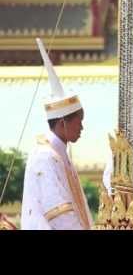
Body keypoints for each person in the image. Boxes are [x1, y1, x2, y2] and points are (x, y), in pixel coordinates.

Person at [21, 38, 93, 230]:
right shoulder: (45, 156)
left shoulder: (59, 155)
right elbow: (59, 214)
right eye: (79, 122)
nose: (82, 128)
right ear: (62, 122)